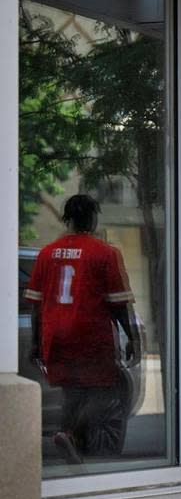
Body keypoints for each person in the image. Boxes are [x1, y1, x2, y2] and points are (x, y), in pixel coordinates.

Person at [24, 194, 138, 464]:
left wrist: (36, 343)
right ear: (92, 218)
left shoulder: (46, 254)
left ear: (68, 219)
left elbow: (36, 307)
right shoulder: (106, 253)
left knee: (71, 392)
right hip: (89, 336)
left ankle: (69, 443)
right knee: (107, 391)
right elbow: (119, 304)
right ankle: (71, 434)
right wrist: (131, 337)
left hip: (56, 336)